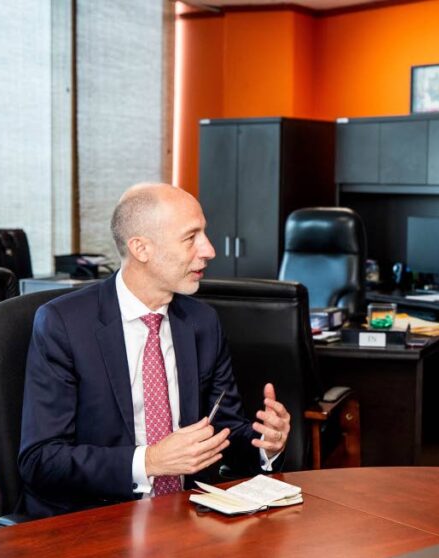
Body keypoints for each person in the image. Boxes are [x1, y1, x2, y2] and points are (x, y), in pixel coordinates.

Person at [19, 183, 291, 517]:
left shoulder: (202, 322)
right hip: (95, 519)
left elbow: (225, 435)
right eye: (191, 237)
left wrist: (265, 445)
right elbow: (41, 460)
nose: (209, 250)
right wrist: (150, 461)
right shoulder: (64, 324)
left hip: (187, 518)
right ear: (141, 248)